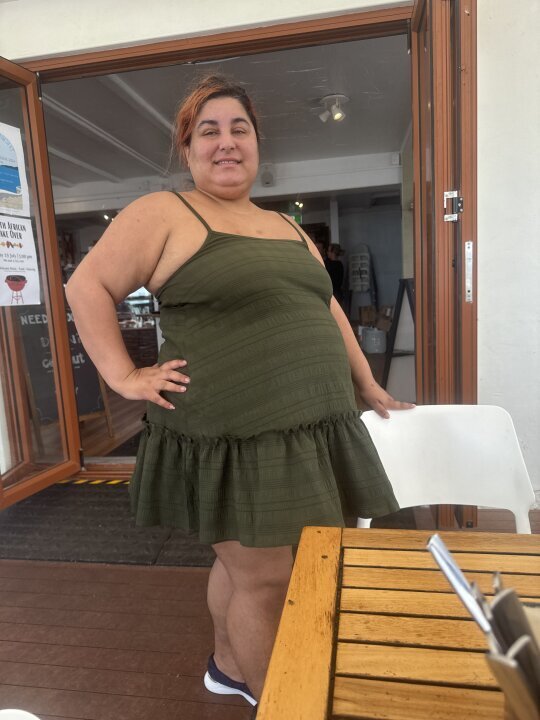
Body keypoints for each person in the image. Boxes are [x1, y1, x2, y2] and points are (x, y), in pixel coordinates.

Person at [66, 74, 413, 713]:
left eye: (239, 129)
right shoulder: (165, 212)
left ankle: (227, 667)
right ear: (188, 149)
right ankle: (278, 701)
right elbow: (86, 287)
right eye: (209, 131)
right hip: (229, 436)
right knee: (267, 577)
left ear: (257, 143)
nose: (226, 142)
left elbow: (326, 306)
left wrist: (365, 381)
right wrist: (124, 377)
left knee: (244, 565)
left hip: (308, 429)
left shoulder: (286, 226)